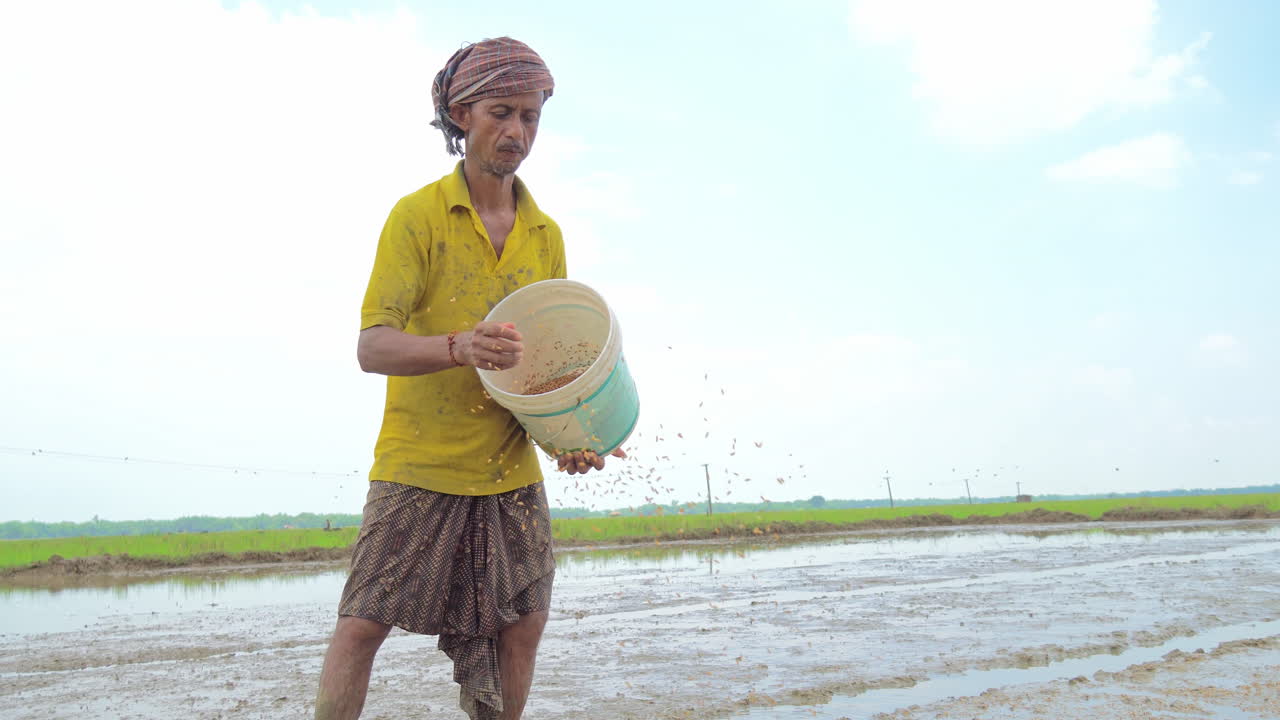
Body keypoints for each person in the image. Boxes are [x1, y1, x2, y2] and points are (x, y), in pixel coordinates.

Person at [313, 37, 622, 720]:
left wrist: (569, 436)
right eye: (500, 112)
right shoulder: (417, 217)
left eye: (531, 117)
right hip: (419, 463)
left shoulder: (546, 234)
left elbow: (542, 369)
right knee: (364, 623)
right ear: (460, 116)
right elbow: (373, 347)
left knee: (525, 622)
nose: (517, 132)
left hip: (508, 471)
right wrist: (459, 346)